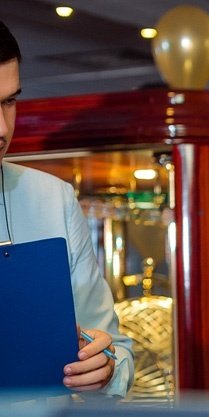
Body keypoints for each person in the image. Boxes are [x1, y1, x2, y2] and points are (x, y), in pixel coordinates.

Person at [0, 21, 133, 396]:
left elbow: (116, 350)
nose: (2, 129)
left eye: (9, 102)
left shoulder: (52, 198)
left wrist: (105, 369)